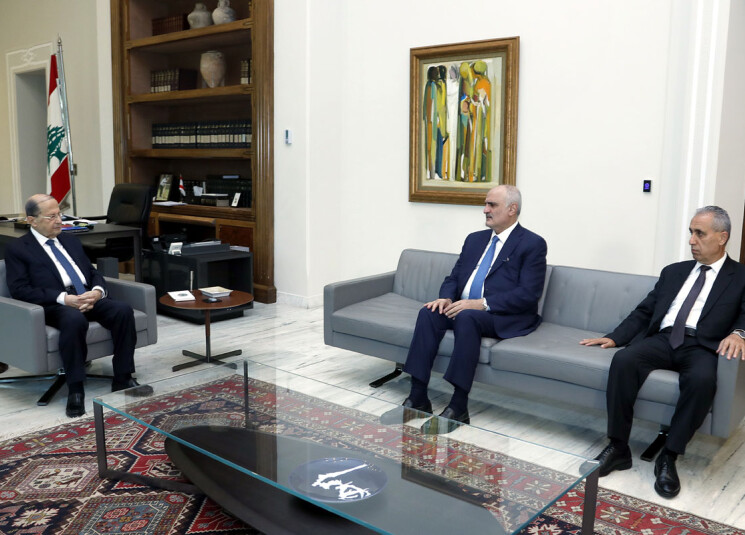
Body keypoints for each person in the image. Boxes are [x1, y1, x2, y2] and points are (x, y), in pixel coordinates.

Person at [580, 205, 745, 498]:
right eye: (691, 233)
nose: (692, 240)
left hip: (702, 346)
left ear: (722, 237)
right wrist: (614, 338)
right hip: (663, 339)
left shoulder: (740, 276)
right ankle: (618, 447)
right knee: (624, 360)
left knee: (702, 381)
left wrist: (738, 333)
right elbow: (644, 311)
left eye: (700, 234)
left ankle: (669, 456)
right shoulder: (674, 272)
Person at [382, 185, 547, 434]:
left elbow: (528, 294)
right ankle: (417, 398)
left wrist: (481, 303)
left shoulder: (532, 244)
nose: (485, 210)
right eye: (486, 204)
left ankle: (458, 406)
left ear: (512, 209)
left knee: (468, 317)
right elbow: (454, 277)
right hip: (464, 309)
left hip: (504, 316)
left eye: (492, 205)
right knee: (429, 312)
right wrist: (446, 298)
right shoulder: (475, 240)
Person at [4, 194, 148, 418]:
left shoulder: (70, 240)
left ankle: (123, 377)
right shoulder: (18, 248)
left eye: (59, 214)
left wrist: (97, 292)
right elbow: (20, 289)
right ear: (32, 220)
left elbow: (91, 272)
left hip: (86, 295)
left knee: (122, 310)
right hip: (54, 303)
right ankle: (76, 389)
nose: (59, 221)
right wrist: (64, 298)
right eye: (51, 217)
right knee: (73, 320)